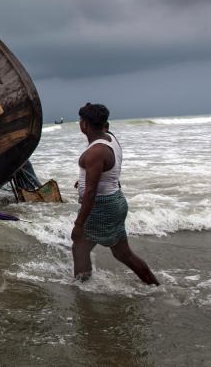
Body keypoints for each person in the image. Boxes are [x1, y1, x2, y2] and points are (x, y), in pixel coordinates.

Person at [71, 103, 159, 285]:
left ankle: (82, 289)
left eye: (81, 120)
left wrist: (79, 224)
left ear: (84, 125)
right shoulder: (110, 139)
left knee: (79, 247)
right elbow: (109, 171)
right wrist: (86, 179)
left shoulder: (95, 152)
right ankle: (154, 285)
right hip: (116, 200)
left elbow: (91, 192)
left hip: (101, 206)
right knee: (123, 253)